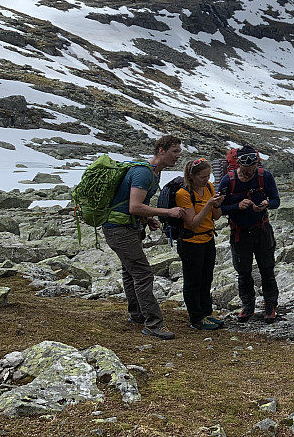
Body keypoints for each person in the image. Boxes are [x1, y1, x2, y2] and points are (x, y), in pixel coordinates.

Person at [103, 135, 183, 340]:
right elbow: (134, 206)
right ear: (161, 151)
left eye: (179, 151)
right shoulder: (144, 173)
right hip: (119, 229)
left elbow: (134, 204)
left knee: (130, 272)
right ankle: (153, 323)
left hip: (126, 226)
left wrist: (147, 219)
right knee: (143, 273)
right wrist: (167, 212)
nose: (178, 155)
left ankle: (137, 314)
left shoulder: (153, 172)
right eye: (175, 151)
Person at [217, 145, 281, 323]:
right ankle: (247, 306)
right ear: (239, 165)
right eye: (245, 170)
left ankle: (270, 305)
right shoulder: (227, 180)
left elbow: (276, 200)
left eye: (252, 169)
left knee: (267, 268)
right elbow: (218, 208)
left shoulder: (264, 176)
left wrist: (267, 204)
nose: (249, 173)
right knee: (243, 271)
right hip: (240, 233)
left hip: (262, 229)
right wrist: (237, 207)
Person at [174, 157, 225, 331]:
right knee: (193, 281)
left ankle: (206, 313)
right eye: (203, 177)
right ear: (192, 176)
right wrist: (208, 204)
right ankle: (196, 318)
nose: (207, 180)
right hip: (191, 242)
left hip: (208, 239)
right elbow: (193, 223)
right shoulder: (183, 194)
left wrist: (216, 204)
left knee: (206, 278)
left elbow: (216, 216)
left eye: (208, 176)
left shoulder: (209, 187)